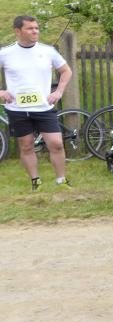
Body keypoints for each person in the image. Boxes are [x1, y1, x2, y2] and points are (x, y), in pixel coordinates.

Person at [0, 15, 73, 191]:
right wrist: (1, 92)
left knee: (56, 144)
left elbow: (66, 71)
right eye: (30, 28)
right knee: (26, 146)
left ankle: (61, 180)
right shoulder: (6, 53)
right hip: (17, 109)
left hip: (44, 108)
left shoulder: (48, 51)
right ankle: (36, 182)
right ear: (18, 31)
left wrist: (59, 92)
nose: (35, 31)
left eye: (36, 28)